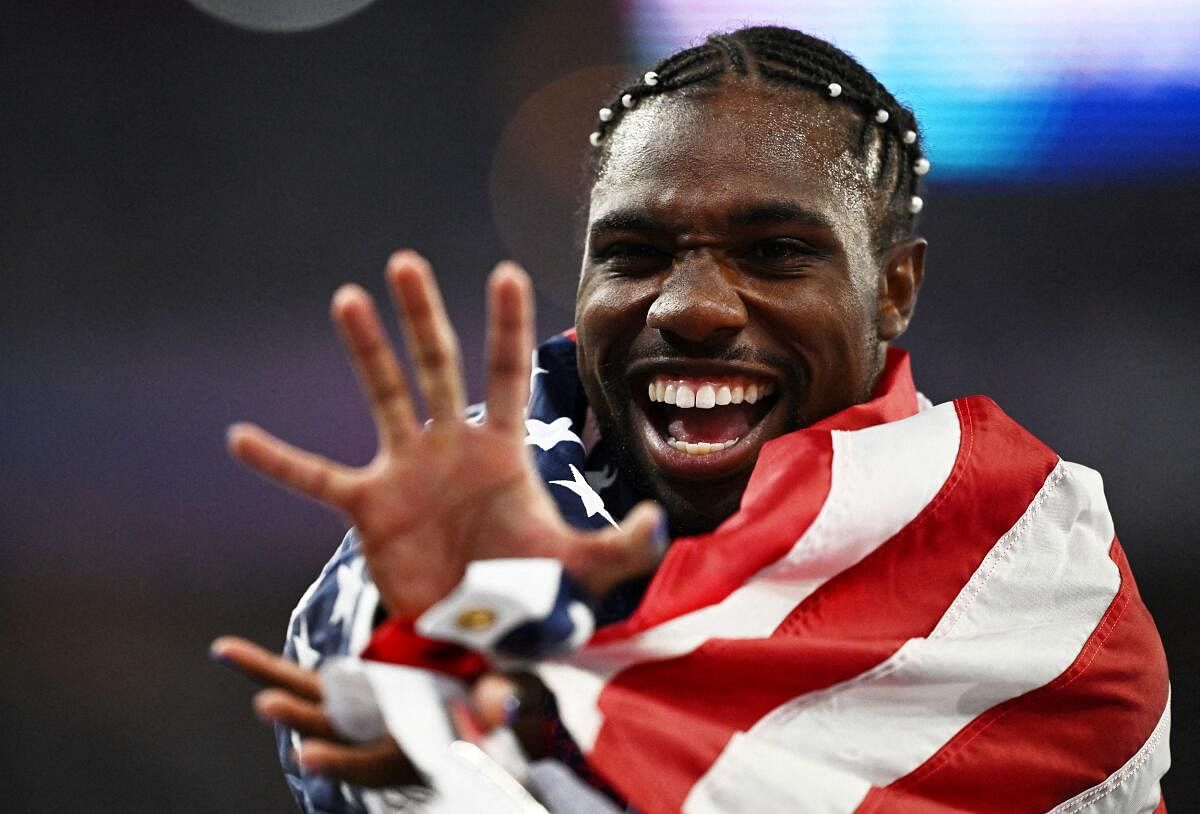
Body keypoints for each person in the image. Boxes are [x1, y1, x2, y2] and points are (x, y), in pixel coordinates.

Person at [211, 25, 1171, 814]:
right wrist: (428, 648)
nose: (690, 308)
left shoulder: (1024, 560)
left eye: (774, 251)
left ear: (893, 287)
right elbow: (363, 731)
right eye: (634, 252)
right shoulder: (492, 493)